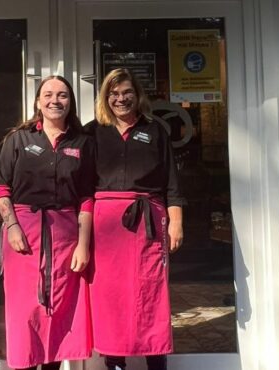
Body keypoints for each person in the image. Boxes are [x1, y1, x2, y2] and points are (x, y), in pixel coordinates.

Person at [84, 68, 185, 370]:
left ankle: (156, 361)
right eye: (114, 93)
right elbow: (81, 185)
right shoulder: (92, 132)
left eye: (126, 92)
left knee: (150, 295)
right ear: (105, 97)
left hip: (148, 223)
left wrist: (176, 222)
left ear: (137, 94)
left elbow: (171, 183)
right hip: (105, 226)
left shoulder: (155, 130)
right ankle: (115, 362)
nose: (121, 98)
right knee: (111, 298)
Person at [0, 75, 96, 370]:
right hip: (24, 233)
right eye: (48, 94)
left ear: (71, 102)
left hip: (66, 236)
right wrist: (12, 227)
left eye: (62, 95)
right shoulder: (19, 140)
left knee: (58, 312)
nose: (55, 100)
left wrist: (83, 245)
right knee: (26, 312)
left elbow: (87, 197)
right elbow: (0, 188)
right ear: (38, 102)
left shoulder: (83, 144)